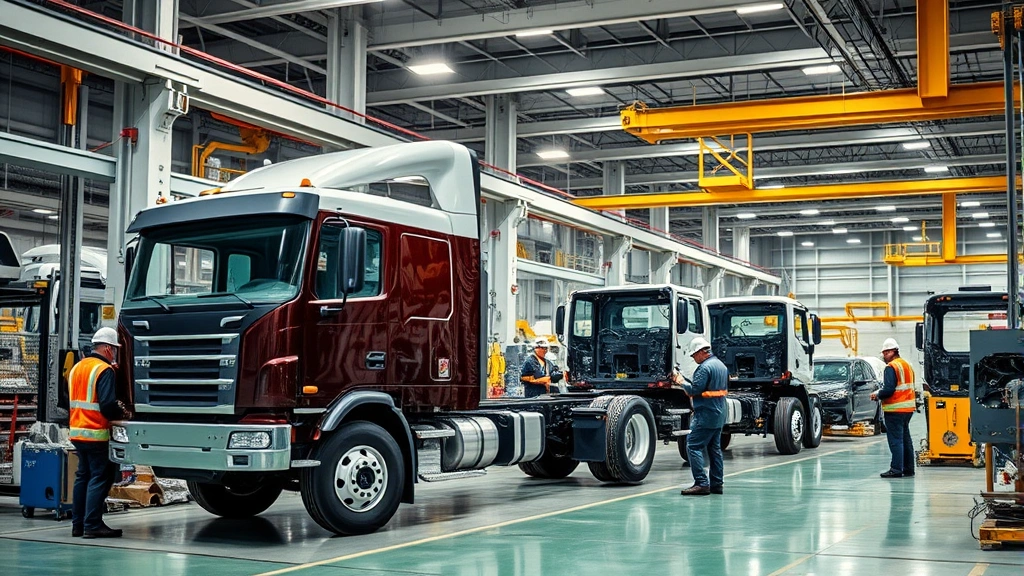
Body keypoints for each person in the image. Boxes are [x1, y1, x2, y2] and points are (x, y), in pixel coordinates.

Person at [69, 327, 130, 538]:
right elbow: (106, 404)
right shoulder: (104, 370)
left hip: (78, 432)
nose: (114, 353)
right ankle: (92, 525)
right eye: (114, 349)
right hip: (96, 432)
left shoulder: (78, 367)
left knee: (83, 477)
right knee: (100, 477)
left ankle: (78, 525)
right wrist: (124, 414)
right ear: (107, 348)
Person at [672, 337, 729, 496]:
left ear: (702, 352)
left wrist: (680, 381)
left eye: (694, 355)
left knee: (693, 446)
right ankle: (717, 484)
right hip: (719, 413)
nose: (693, 358)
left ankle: (702, 483)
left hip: (706, 414)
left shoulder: (704, 368)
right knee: (714, 449)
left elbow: (693, 390)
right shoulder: (721, 366)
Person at [871, 338, 916, 478]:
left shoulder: (891, 367)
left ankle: (896, 469)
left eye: (885, 353)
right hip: (908, 409)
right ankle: (908, 469)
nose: (884, 356)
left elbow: (889, 390)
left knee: (896, 440)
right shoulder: (907, 365)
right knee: (906, 439)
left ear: (891, 352)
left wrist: (877, 394)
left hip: (895, 409)